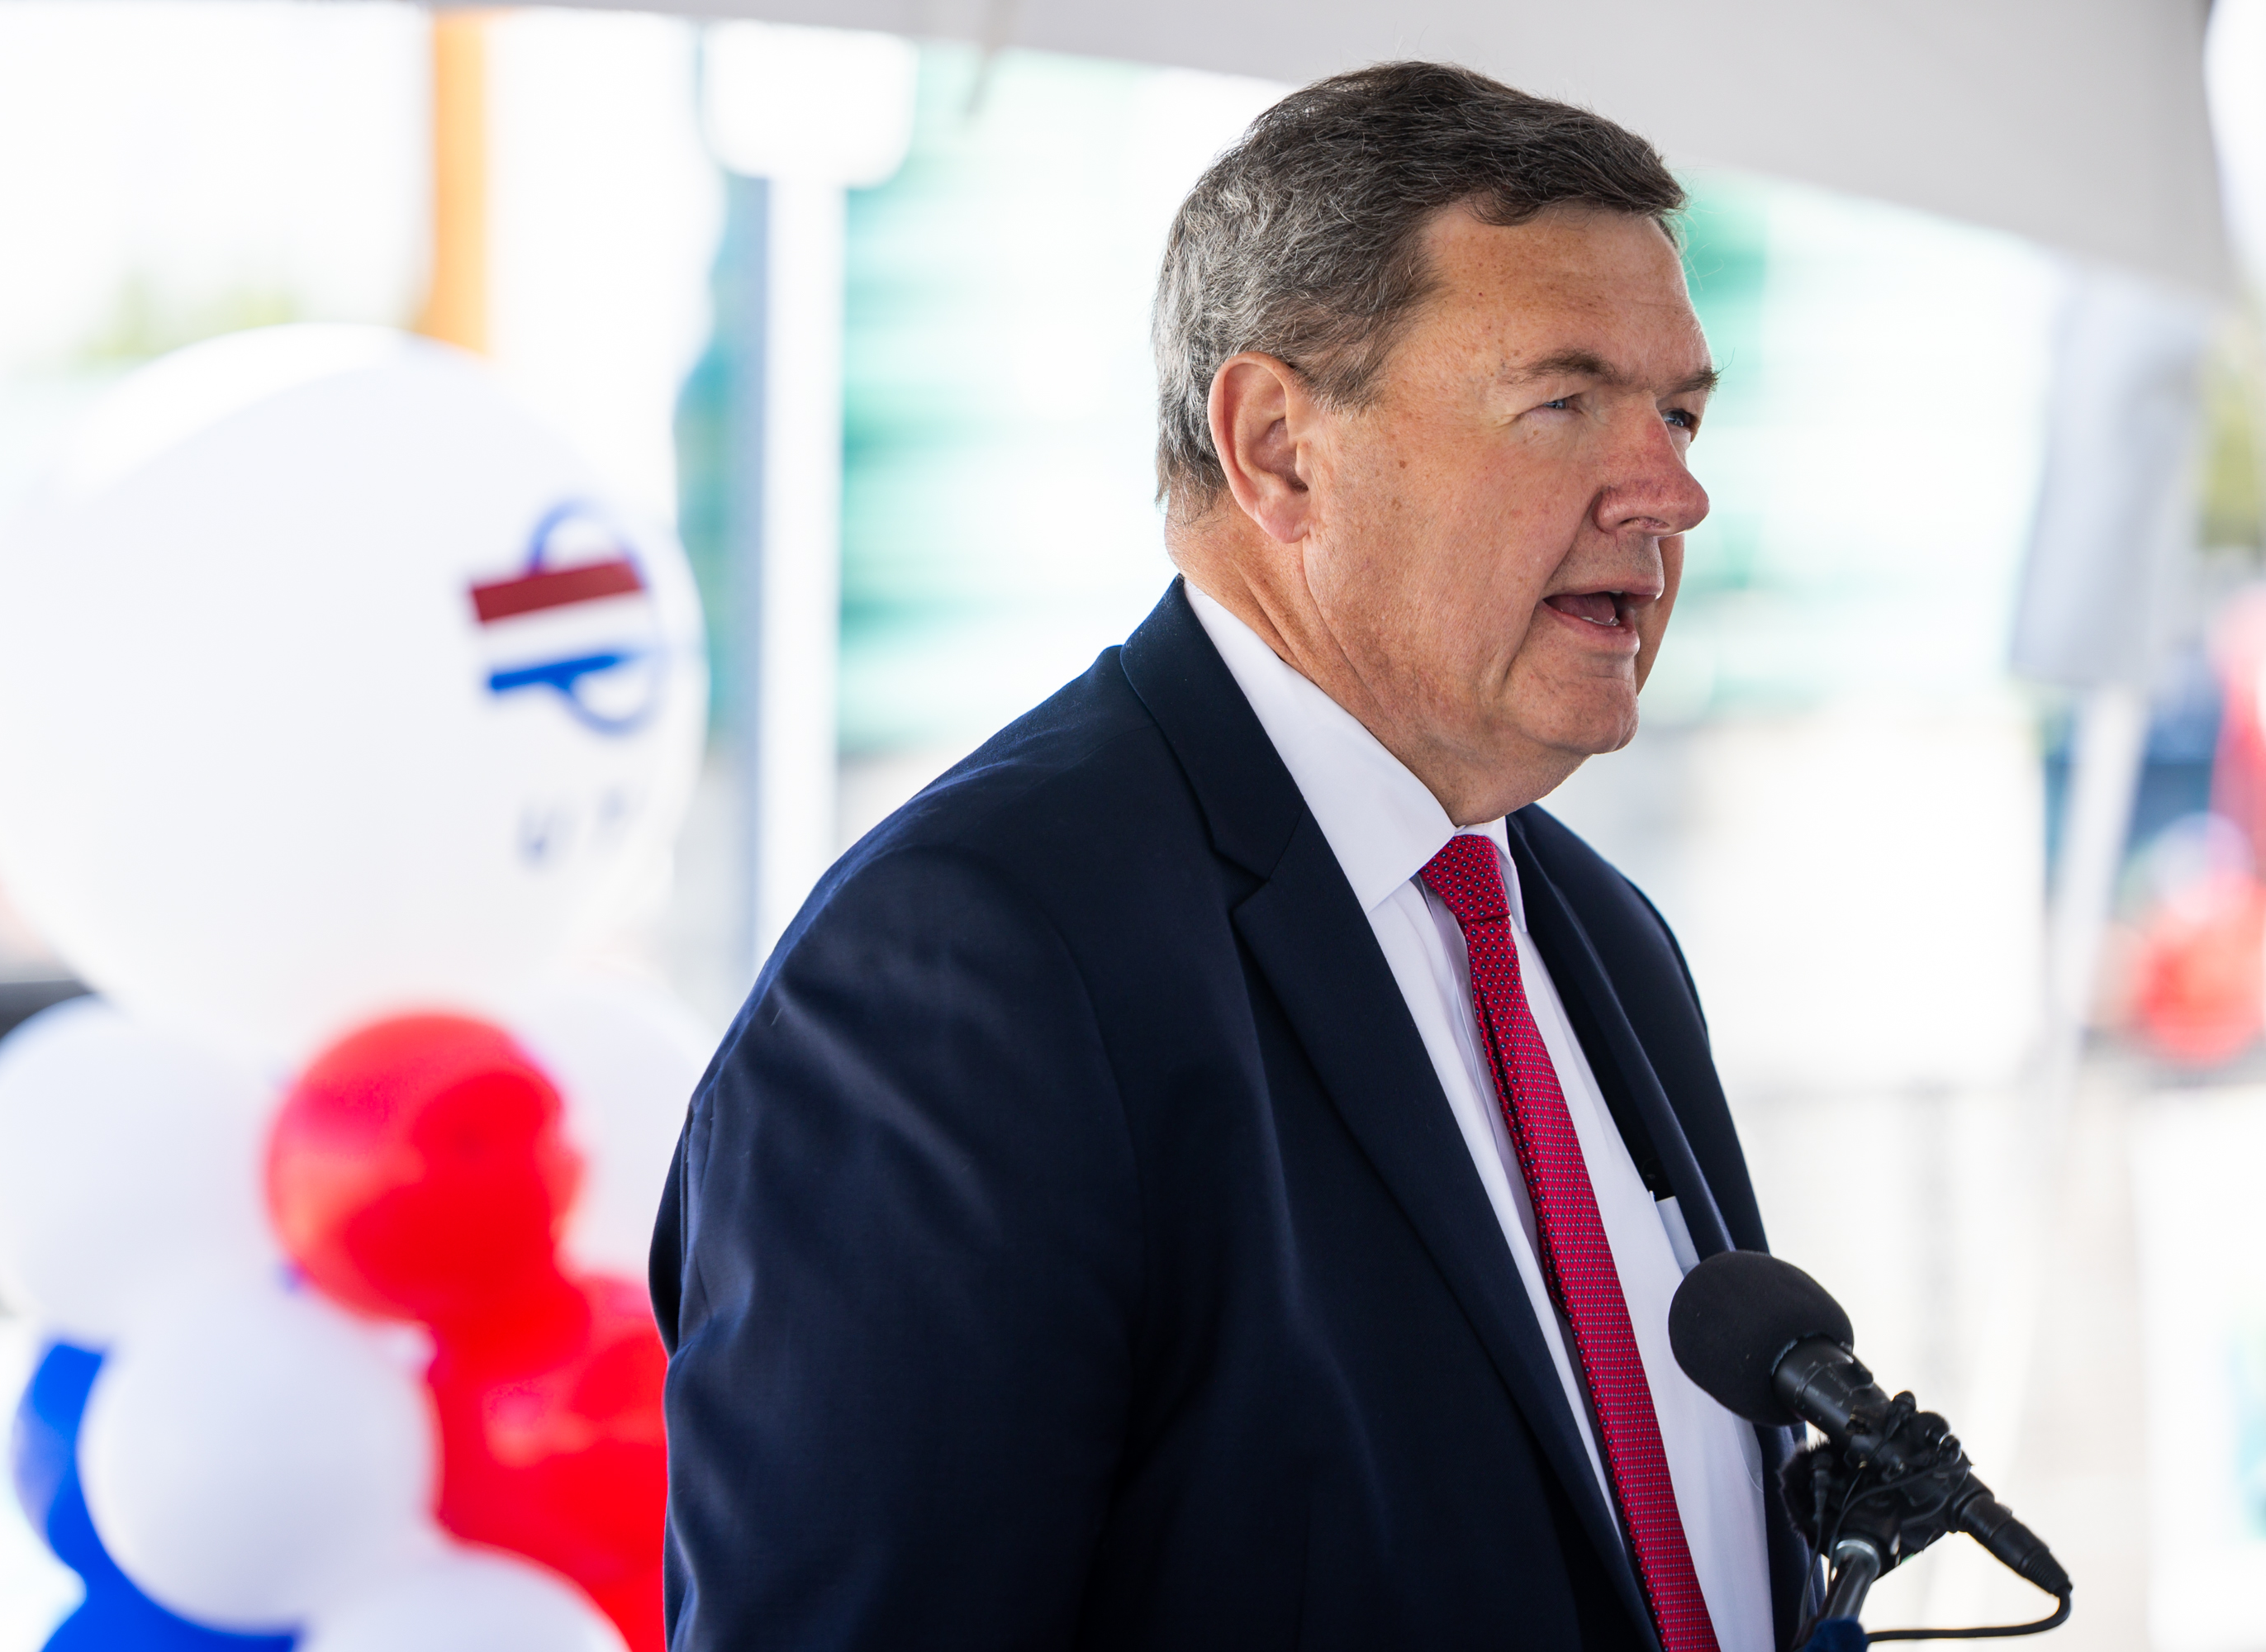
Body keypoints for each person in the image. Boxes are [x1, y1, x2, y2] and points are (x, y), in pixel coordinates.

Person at [652, 61, 1811, 1651]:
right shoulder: (966, 968)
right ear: (1278, 449)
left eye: (1679, 412)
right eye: (1565, 401)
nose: (1672, 488)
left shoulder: (1600, 940)